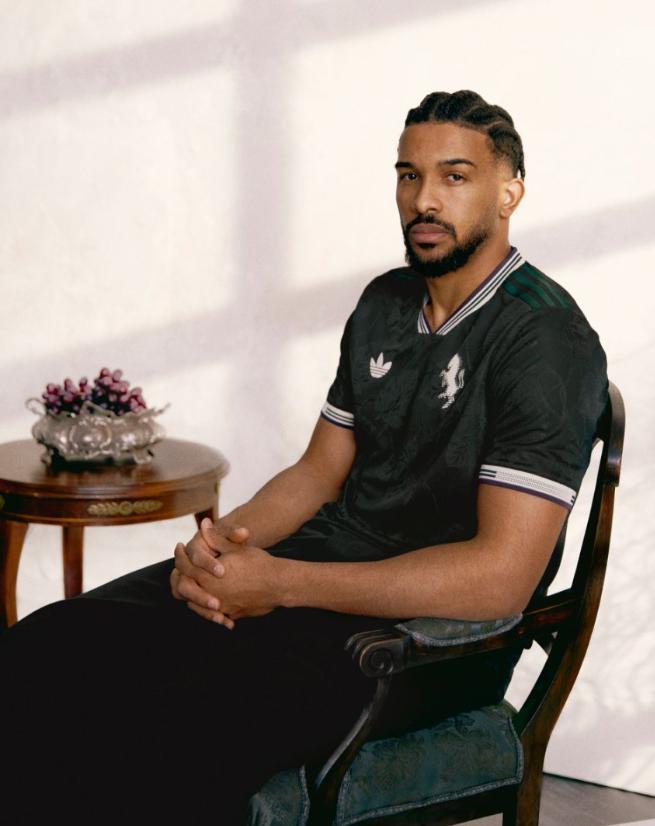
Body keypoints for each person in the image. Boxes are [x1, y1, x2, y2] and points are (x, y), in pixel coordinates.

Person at [0, 90, 607, 825]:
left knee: (163, 725)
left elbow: (500, 579)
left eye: (454, 176)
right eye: (408, 175)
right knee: (45, 650)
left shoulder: (545, 340)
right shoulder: (385, 302)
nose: (423, 199)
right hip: (317, 576)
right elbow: (317, 472)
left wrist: (282, 584)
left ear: (508, 192)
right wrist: (218, 551)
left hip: (428, 640)